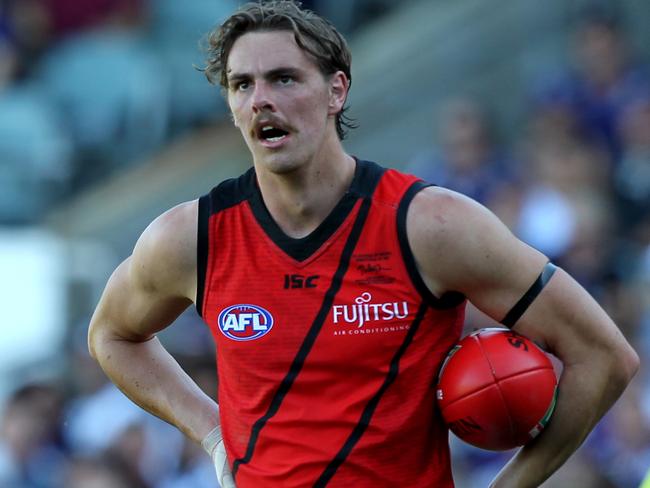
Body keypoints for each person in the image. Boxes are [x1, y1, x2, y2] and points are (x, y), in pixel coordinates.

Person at [87, 1, 640, 487]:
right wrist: (211, 434)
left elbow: (603, 355)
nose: (261, 100)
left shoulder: (429, 225)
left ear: (336, 89)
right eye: (242, 84)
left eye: (284, 78)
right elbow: (111, 335)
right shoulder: (192, 238)